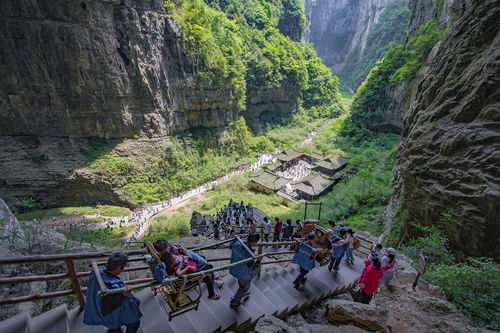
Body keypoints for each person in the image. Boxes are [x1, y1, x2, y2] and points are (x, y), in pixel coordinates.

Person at [84, 252, 142, 333]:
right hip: (109, 312)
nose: (123, 269)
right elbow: (107, 307)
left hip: (97, 306)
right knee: (135, 322)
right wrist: (123, 295)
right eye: (123, 267)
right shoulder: (113, 287)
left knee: (136, 301)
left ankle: (114, 329)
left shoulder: (96, 273)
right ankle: (115, 326)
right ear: (119, 268)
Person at [152, 240, 220, 300]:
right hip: (185, 275)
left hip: (185, 268)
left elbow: (177, 261)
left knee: (202, 259)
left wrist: (181, 254)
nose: (170, 247)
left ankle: (212, 279)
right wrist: (183, 261)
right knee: (208, 268)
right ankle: (212, 285)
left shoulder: (163, 255)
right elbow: (177, 270)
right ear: (165, 246)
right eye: (168, 246)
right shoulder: (168, 259)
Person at [229, 232, 263, 308]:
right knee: (244, 288)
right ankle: (234, 301)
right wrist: (259, 260)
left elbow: (230, 246)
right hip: (243, 273)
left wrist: (237, 238)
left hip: (235, 268)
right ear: (254, 242)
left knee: (241, 284)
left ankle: (242, 294)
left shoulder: (237, 243)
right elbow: (253, 267)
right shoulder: (249, 254)